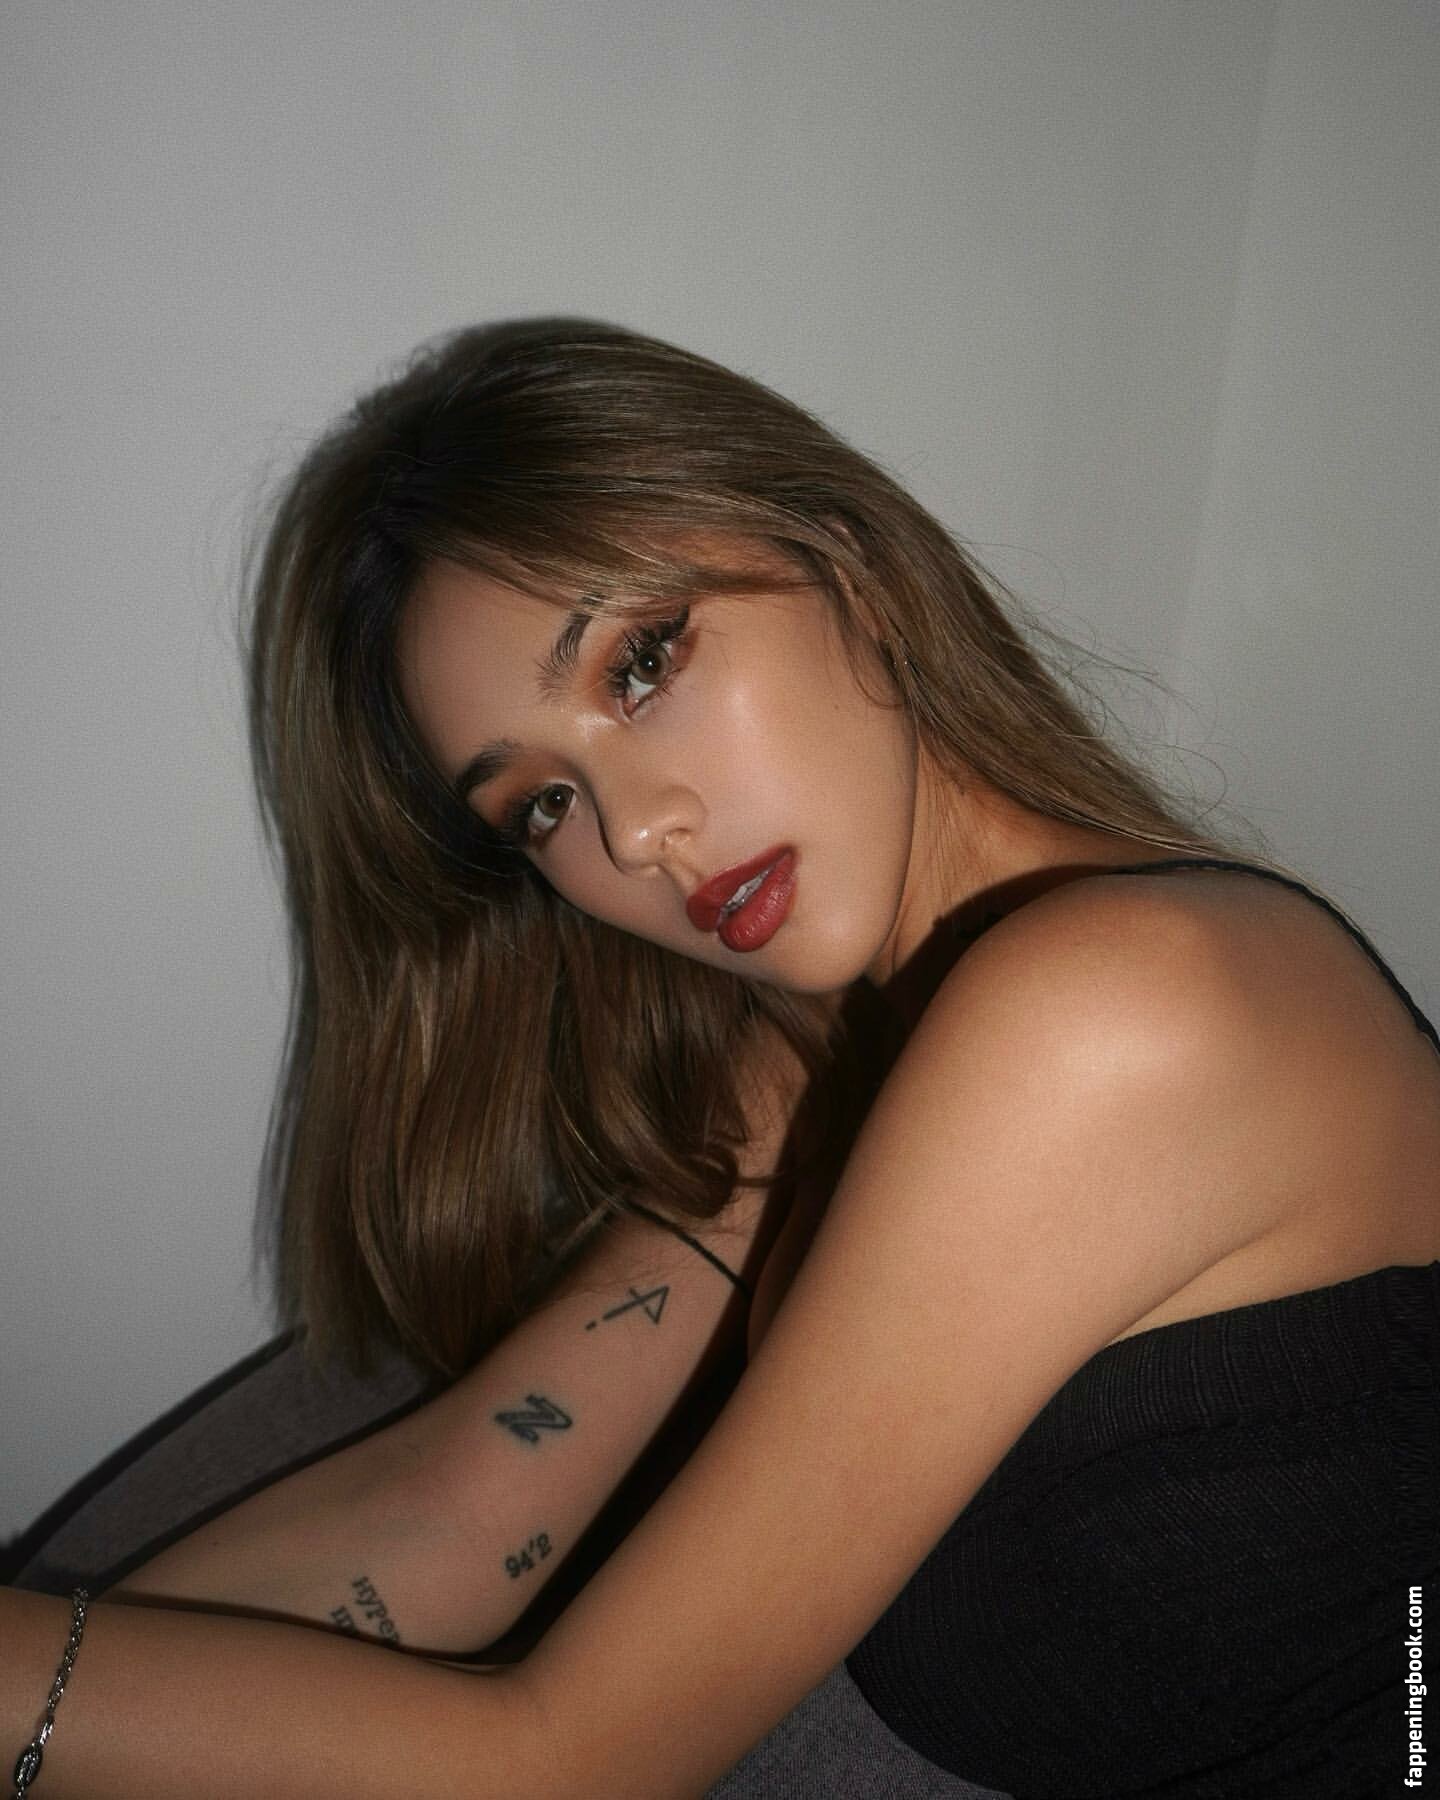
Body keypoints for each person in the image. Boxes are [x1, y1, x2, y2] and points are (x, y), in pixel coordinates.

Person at [4, 319, 1436, 1799]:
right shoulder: (816, 1067)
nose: (636, 835)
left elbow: (569, 1761)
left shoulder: (1125, 1013)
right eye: (542, 805)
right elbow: (454, 1510)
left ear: (847, 562)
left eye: (640, 665)